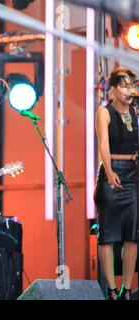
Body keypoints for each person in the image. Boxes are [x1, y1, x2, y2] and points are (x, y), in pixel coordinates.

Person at [94, 67, 138, 300]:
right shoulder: (104, 112)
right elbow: (103, 145)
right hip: (112, 171)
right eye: (123, 84)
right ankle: (112, 289)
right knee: (109, 234)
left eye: (131, 84)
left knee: (133, 235)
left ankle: (127, 288)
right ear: (112, 88)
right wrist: (109, 171)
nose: (128, 89)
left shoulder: (137, 111)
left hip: (133, 173)